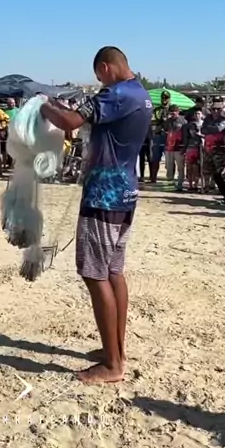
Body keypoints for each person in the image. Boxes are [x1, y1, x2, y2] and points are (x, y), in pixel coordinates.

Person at [40, 46, 152, 385]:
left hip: (105, 195)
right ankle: (116, 350)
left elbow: (70, 121)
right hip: (125, 193)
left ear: (106, 68)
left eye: (99, 76)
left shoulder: (116, 94)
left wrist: (43, 105)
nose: (100, 82)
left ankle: (113, 364)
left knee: (94, 274)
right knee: (114, 272)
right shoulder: (140, 94)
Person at [201, 100, 225, 192]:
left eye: (218, 109)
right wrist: (211, 128)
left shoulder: (224, 119)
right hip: (207, 147)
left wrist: (208, 128)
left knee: (219, 170)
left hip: (219, 148)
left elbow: (218, 128)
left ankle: (221, 188)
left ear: (221, 110)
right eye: (213, 109)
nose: (215, 111)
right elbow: (202, 130)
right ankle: (206, 186)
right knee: (206, 168)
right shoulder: (207, 118)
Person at [149, 90, 171, 182]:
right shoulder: (157, 110)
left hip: (169, 137)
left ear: (169, 99)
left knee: (170, 160)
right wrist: (158, 127)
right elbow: (152, 122)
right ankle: (153, 178)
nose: (164, 100)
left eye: (166, 98)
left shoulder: (172, 110)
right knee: (155, 158)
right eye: (163, 98)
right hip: (158, 136)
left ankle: (170, 179)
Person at [164, 105, 185, 189]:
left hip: (179, 147)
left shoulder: (183, 121)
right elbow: (164, 130)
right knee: (169, 166)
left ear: (178, 112)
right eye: (171, 113)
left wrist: (184, 146)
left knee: (180, 166)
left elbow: (186, 134)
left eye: (173, 113)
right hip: (169, 147)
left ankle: (180, 183)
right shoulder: (168, 121)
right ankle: (170, 183)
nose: (172, 115)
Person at [182, 109, 203, 190]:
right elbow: (186, 137)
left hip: (200, 148)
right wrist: (184, 149)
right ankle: (190, 185)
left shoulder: (204, 124)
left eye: (199, 113)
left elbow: (207, 135)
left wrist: (200, 135)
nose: (197, 115)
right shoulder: (189, 125)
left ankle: (196, 185)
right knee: (189, 168)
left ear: (201, 115)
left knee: (197, 168)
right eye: (196, 114)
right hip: (190, 148)